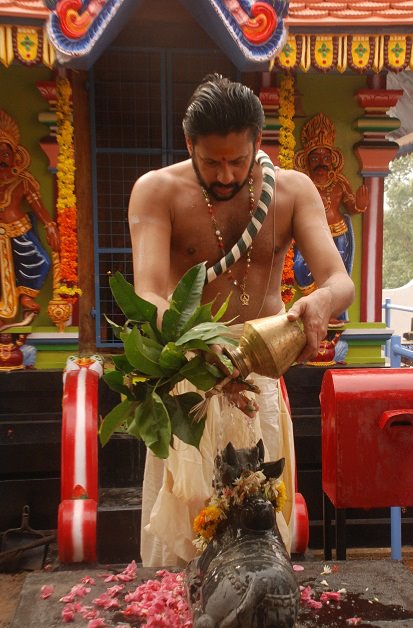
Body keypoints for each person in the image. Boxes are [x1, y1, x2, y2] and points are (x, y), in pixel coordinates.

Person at [128, 74, 354, 567]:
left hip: (261, 376)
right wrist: (200, 340)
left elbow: (340, 281)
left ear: (258, 143)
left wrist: (319, 302)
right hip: (191, 375)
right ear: (190, 145)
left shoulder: (293, 190)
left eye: (238, 160)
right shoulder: (156, 190)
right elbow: (147, 293)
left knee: (260, 525)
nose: (226, 175)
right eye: (212, 162)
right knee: (186, 537)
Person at [294, 112, 368, 322]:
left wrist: (359, 206)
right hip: (309, 233)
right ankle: (312, 311)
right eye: (315, 158)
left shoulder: (339, 183)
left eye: (326, 158)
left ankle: (334, 315)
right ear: (307, 161)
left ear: (333, 161)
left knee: (338, 277)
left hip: (339, 232)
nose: (321, 163)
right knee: (301, 267)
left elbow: (350, 205)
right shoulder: (303, 182)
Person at [0, 109, 60, 326]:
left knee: (41, 261)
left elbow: (38, 207)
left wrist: (50, 226)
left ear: (15, 156)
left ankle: (26, 296)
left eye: (5, 154)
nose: (1, 158)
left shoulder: (22, 182)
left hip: (19, 231)